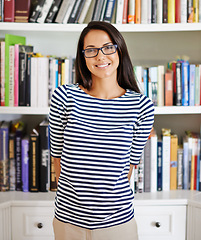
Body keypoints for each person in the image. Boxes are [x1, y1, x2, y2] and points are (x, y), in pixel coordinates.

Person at [49, 21, 154, 240]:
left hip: (117, 225)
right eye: (91, 50)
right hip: (68, 222)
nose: (100, 56)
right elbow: (56, 159)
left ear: (119, 49)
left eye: (108, 47)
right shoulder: (65, 97)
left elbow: (129, 169)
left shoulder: (141, 106)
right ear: (83, 56)